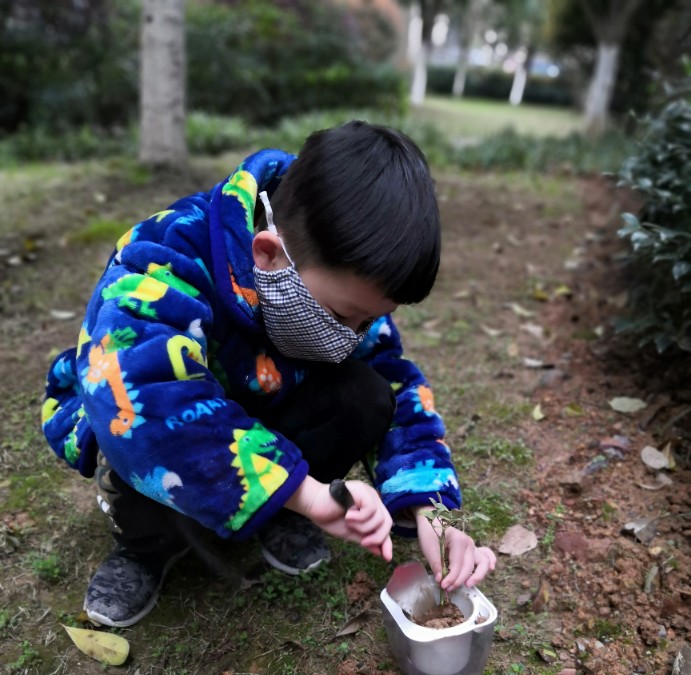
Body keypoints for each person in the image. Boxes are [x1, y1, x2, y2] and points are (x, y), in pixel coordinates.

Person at [42, 120, 496, 628]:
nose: (355, 333)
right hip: (147, 418)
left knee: (366, 395)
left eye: (370, 319)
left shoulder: (338, 277)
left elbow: (394, 381)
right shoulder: (162, 261)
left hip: (266, 397)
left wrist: (434, 514)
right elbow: (144, 403)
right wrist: (308, 491)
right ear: (267, 252)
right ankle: (144, 548)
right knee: (136, 434)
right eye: (345, 316)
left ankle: (278, 509)